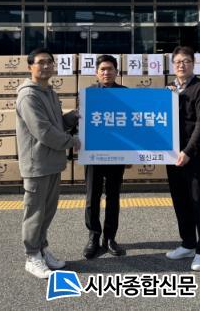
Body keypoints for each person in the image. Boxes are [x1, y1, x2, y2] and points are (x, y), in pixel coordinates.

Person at [16, 48, 80, 279]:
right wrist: (72, 141)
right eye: (40, 62)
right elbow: (43, 131)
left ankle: (42, 248)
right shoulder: (28, 96)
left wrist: (73, 116)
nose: (45, 66)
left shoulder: (49, 92)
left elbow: (56, 124)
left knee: (47, 211)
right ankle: (32, 255)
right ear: (30, 67)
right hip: (37, 164)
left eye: (49, 62)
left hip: (53, 162)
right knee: (35, 212)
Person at [165, 46, 200, 271]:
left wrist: (188, 151)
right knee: (180, 200)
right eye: (177, 62)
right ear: (172, 65)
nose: (181, 65)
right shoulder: (170, 89)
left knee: (198, 201)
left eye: (186, 61)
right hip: (172, 154)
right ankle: (187, 243)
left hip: (193, 155)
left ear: (193, 64)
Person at [83, 54, 127, 259]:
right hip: (93, 153)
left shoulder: (126, 94)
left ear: (117, 72)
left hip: (117, 153)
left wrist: (130, 154)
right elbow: (81, 122)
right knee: (92, 196)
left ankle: (110, 238)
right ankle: (93, 236)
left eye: (110, 69)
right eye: (102, 69)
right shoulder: (88, 94)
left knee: (113, 196)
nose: (106, 72)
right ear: (96, 72)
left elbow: (131, 126)